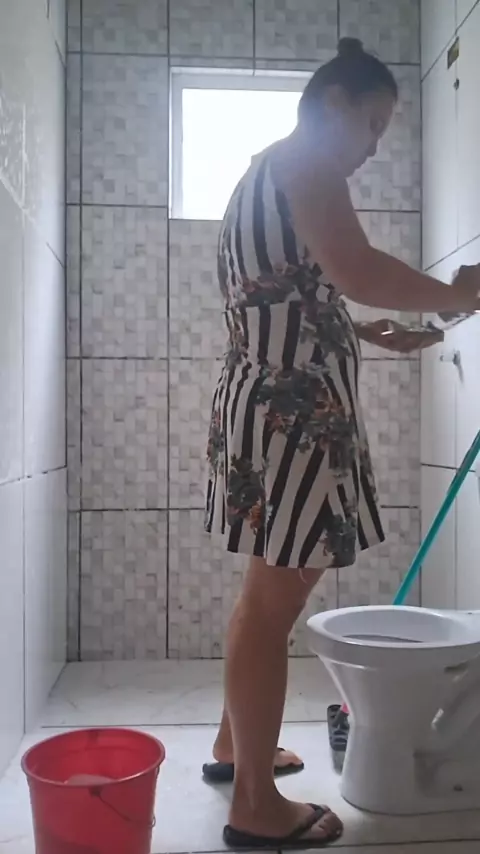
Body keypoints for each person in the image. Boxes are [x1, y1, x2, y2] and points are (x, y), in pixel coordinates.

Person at [203, 37, 480, 850]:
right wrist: (455, 294)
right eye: (372, 123)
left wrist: (364, 332)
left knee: (264, 598)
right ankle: (256, 805)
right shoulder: (308, 161)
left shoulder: (265, 172)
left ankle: (233, 748)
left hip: (266, 404)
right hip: (293, 416)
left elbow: (285, 293)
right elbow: (356, 267)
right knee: (273, 605)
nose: (373, 146)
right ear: (333, 104)